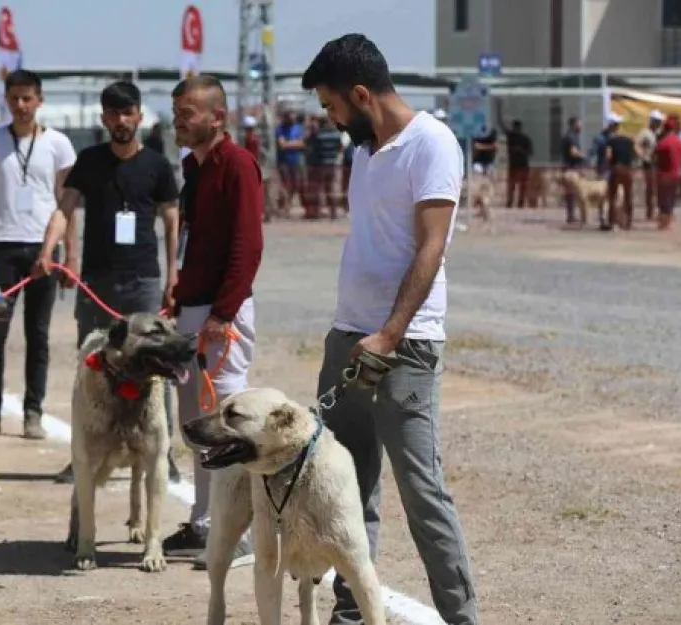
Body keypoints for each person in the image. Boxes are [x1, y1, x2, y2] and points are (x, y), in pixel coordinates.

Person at [301, 34, 479, 625]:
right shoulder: (363, 151)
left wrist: (390, 333)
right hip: (347, 337)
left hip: (405, 345)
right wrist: (353, 335)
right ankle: (352, 615)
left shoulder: (432, 143)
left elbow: (432, 248)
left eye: (332, 106)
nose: (330, 119)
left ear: (360, 94)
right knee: (347, 490)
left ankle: (462, 619)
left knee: (422, 491)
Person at [32, 81, 184, 484]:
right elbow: (65, 210)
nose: (120, 121)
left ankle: (161, 455)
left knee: (154, 367)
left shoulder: (156, 166)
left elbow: (172, 220)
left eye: (127, 112)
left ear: (138, 115)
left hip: (144, 280)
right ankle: (82, 454)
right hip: (97, 281)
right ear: (104, 119)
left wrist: (173, 275)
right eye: (113, 114)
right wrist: (49, 251)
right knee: (92, 365)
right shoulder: (90, 162)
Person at [162, 74, 263, 571]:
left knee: (226, 422)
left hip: (223, 314)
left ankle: (239, 533)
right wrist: (179, 299)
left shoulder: (238, 166)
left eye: (188, 113)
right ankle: (203, 524)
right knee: (196, 422)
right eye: (176, 111)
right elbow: (194, 246)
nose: (179, 120)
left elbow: (248, 246)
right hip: (194, 309)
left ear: (216, 118)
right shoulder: (193, 169)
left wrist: (223, 314)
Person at [0, 69, 77, 440]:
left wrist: (70, 256)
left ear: (39, 101)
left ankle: (33, 411)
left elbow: (68, 204)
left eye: (27, 98)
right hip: (2, 245)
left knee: (38, 334)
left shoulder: (59, 145)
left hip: (44, 248)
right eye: (14, 98)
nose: (21, 105)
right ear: (6, 100)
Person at [603, 114, 636, 230]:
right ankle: (629, 222)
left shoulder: (610, 140)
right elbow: (636, 154)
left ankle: (612, 222)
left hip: (616, 168)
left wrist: (608, 167)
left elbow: (608, 155)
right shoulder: (629, 139)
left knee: (613, 196)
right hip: (627, 169)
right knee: (628, 195)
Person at [653, 117, 681, 231]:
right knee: (671, 198)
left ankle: (663, 223)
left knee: (662, 200)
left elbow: (656, 158)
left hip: (664, 174)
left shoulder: (662, 143)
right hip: (676, 174)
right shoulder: (680, 142)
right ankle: (668, 222)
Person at [275, 109, 306, 215]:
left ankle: (289, 205)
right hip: (283, 161)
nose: (292, 120)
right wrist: (294, 144)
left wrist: (288, 144)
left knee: (296, 184)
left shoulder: (298, 128)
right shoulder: (280, 129)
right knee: (285, 184)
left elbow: (302, 143)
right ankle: (285, 207)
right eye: (290, 118)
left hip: (296, 160)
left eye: (293, 118)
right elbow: (281, 145)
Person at [636, 110, 664, 220]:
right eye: (658, 122)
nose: (659, 124)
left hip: (659, 163)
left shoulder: (658, 134)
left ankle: (659, 211)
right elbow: (637, 146)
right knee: (651, 188)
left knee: (659, 188)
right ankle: (650, 211)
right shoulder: (644, 133)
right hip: (649, 164)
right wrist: (643, 157)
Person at [560, 116, 586, 223]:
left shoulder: (569, 135)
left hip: (568, 167)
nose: (581, 126)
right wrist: (583, 156)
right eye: (580, 123)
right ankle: (571, 215)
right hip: (571, 168)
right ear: (574, 124)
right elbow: (573, 152)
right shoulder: (571, 137)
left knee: (570, 192)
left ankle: (571, 215)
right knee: (573, 192)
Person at [503, 119, 532, 208]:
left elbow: (530, 152)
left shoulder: (525, 139)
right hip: (513, 165)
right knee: (512, 185)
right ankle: (510, 202)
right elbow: (502, 127)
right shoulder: (511, 137)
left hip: (523, 164)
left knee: (523, 185)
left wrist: (520, 150)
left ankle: (521, 203)